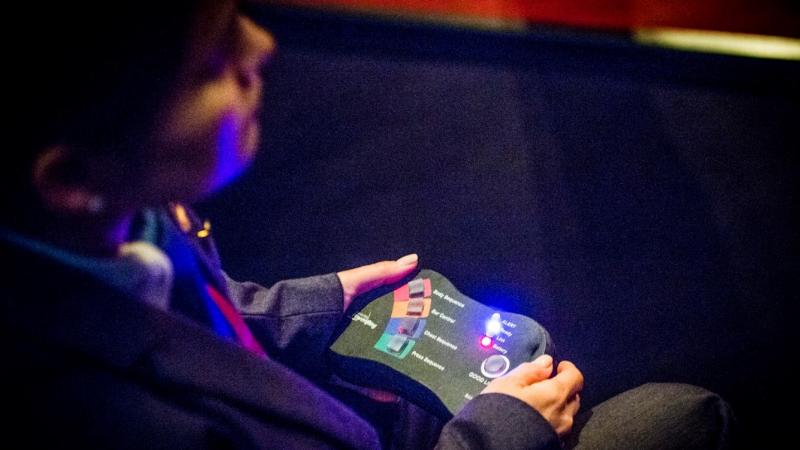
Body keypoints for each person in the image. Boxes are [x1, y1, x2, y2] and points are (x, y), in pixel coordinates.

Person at [1, 1, 734, 448]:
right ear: (73, 179)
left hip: (330, 417)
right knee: (674, 419)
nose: (261, 46)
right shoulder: (99, 422)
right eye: (213, 62)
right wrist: (495, 435)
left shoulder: (121, 222)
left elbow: (192, 308)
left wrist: (317, 302)